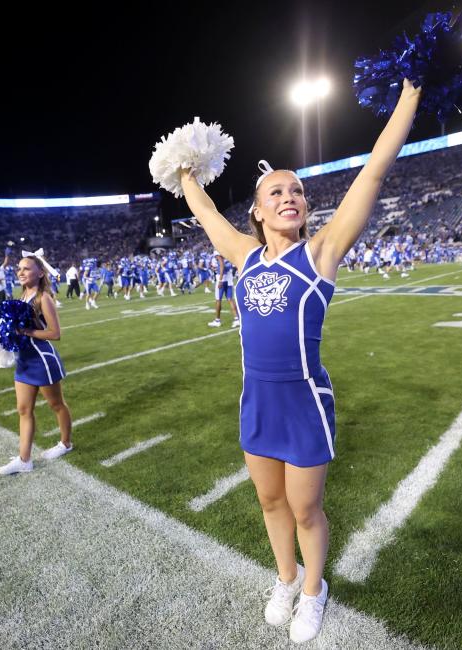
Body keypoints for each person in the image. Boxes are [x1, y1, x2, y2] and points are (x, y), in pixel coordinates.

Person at [178, 79, 420, 644]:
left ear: (305, 207)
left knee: (306, 508)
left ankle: (314, 590)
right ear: (258, 213)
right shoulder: (242, 255)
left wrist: (408, 100)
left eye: (297, 191)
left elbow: (374, 173)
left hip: (305, 402)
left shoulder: (322, 253)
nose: (289, 197)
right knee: (268, 500)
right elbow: (208, 211)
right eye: (276, 193)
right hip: (257, 401)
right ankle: (285, 579)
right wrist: (185, 171)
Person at [0, 253, 74, 475]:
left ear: (40, 273)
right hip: (24, 361)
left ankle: (66, 444)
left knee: (56, 405)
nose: (21, 272)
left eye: (27, 269)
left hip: (42, 360)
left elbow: (55, 333)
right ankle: (24, 460)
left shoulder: (43, 298)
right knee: (23, 409)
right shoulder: (21, 296)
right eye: (19, 269)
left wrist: (26, 331)